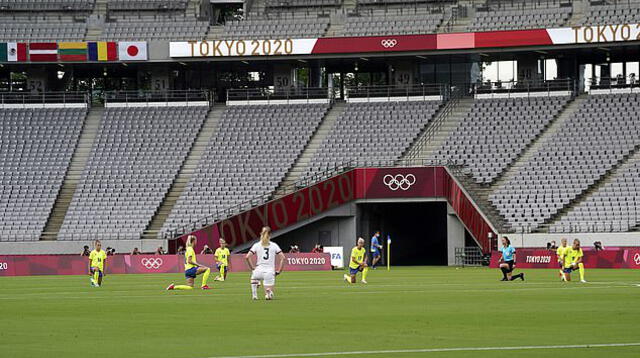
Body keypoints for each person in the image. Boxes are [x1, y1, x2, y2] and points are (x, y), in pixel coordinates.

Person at [245, 226, 285, 300]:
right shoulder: (274, 245)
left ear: (261, 234)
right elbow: (283, 258)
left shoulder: (256, 245)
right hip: (269, 272)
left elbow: (247, 257)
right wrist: (279, 271)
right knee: (268, 290)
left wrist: (252, 268)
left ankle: (254, 295)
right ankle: (268, 293)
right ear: (270, 235)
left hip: (258, 271)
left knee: (253, 277)